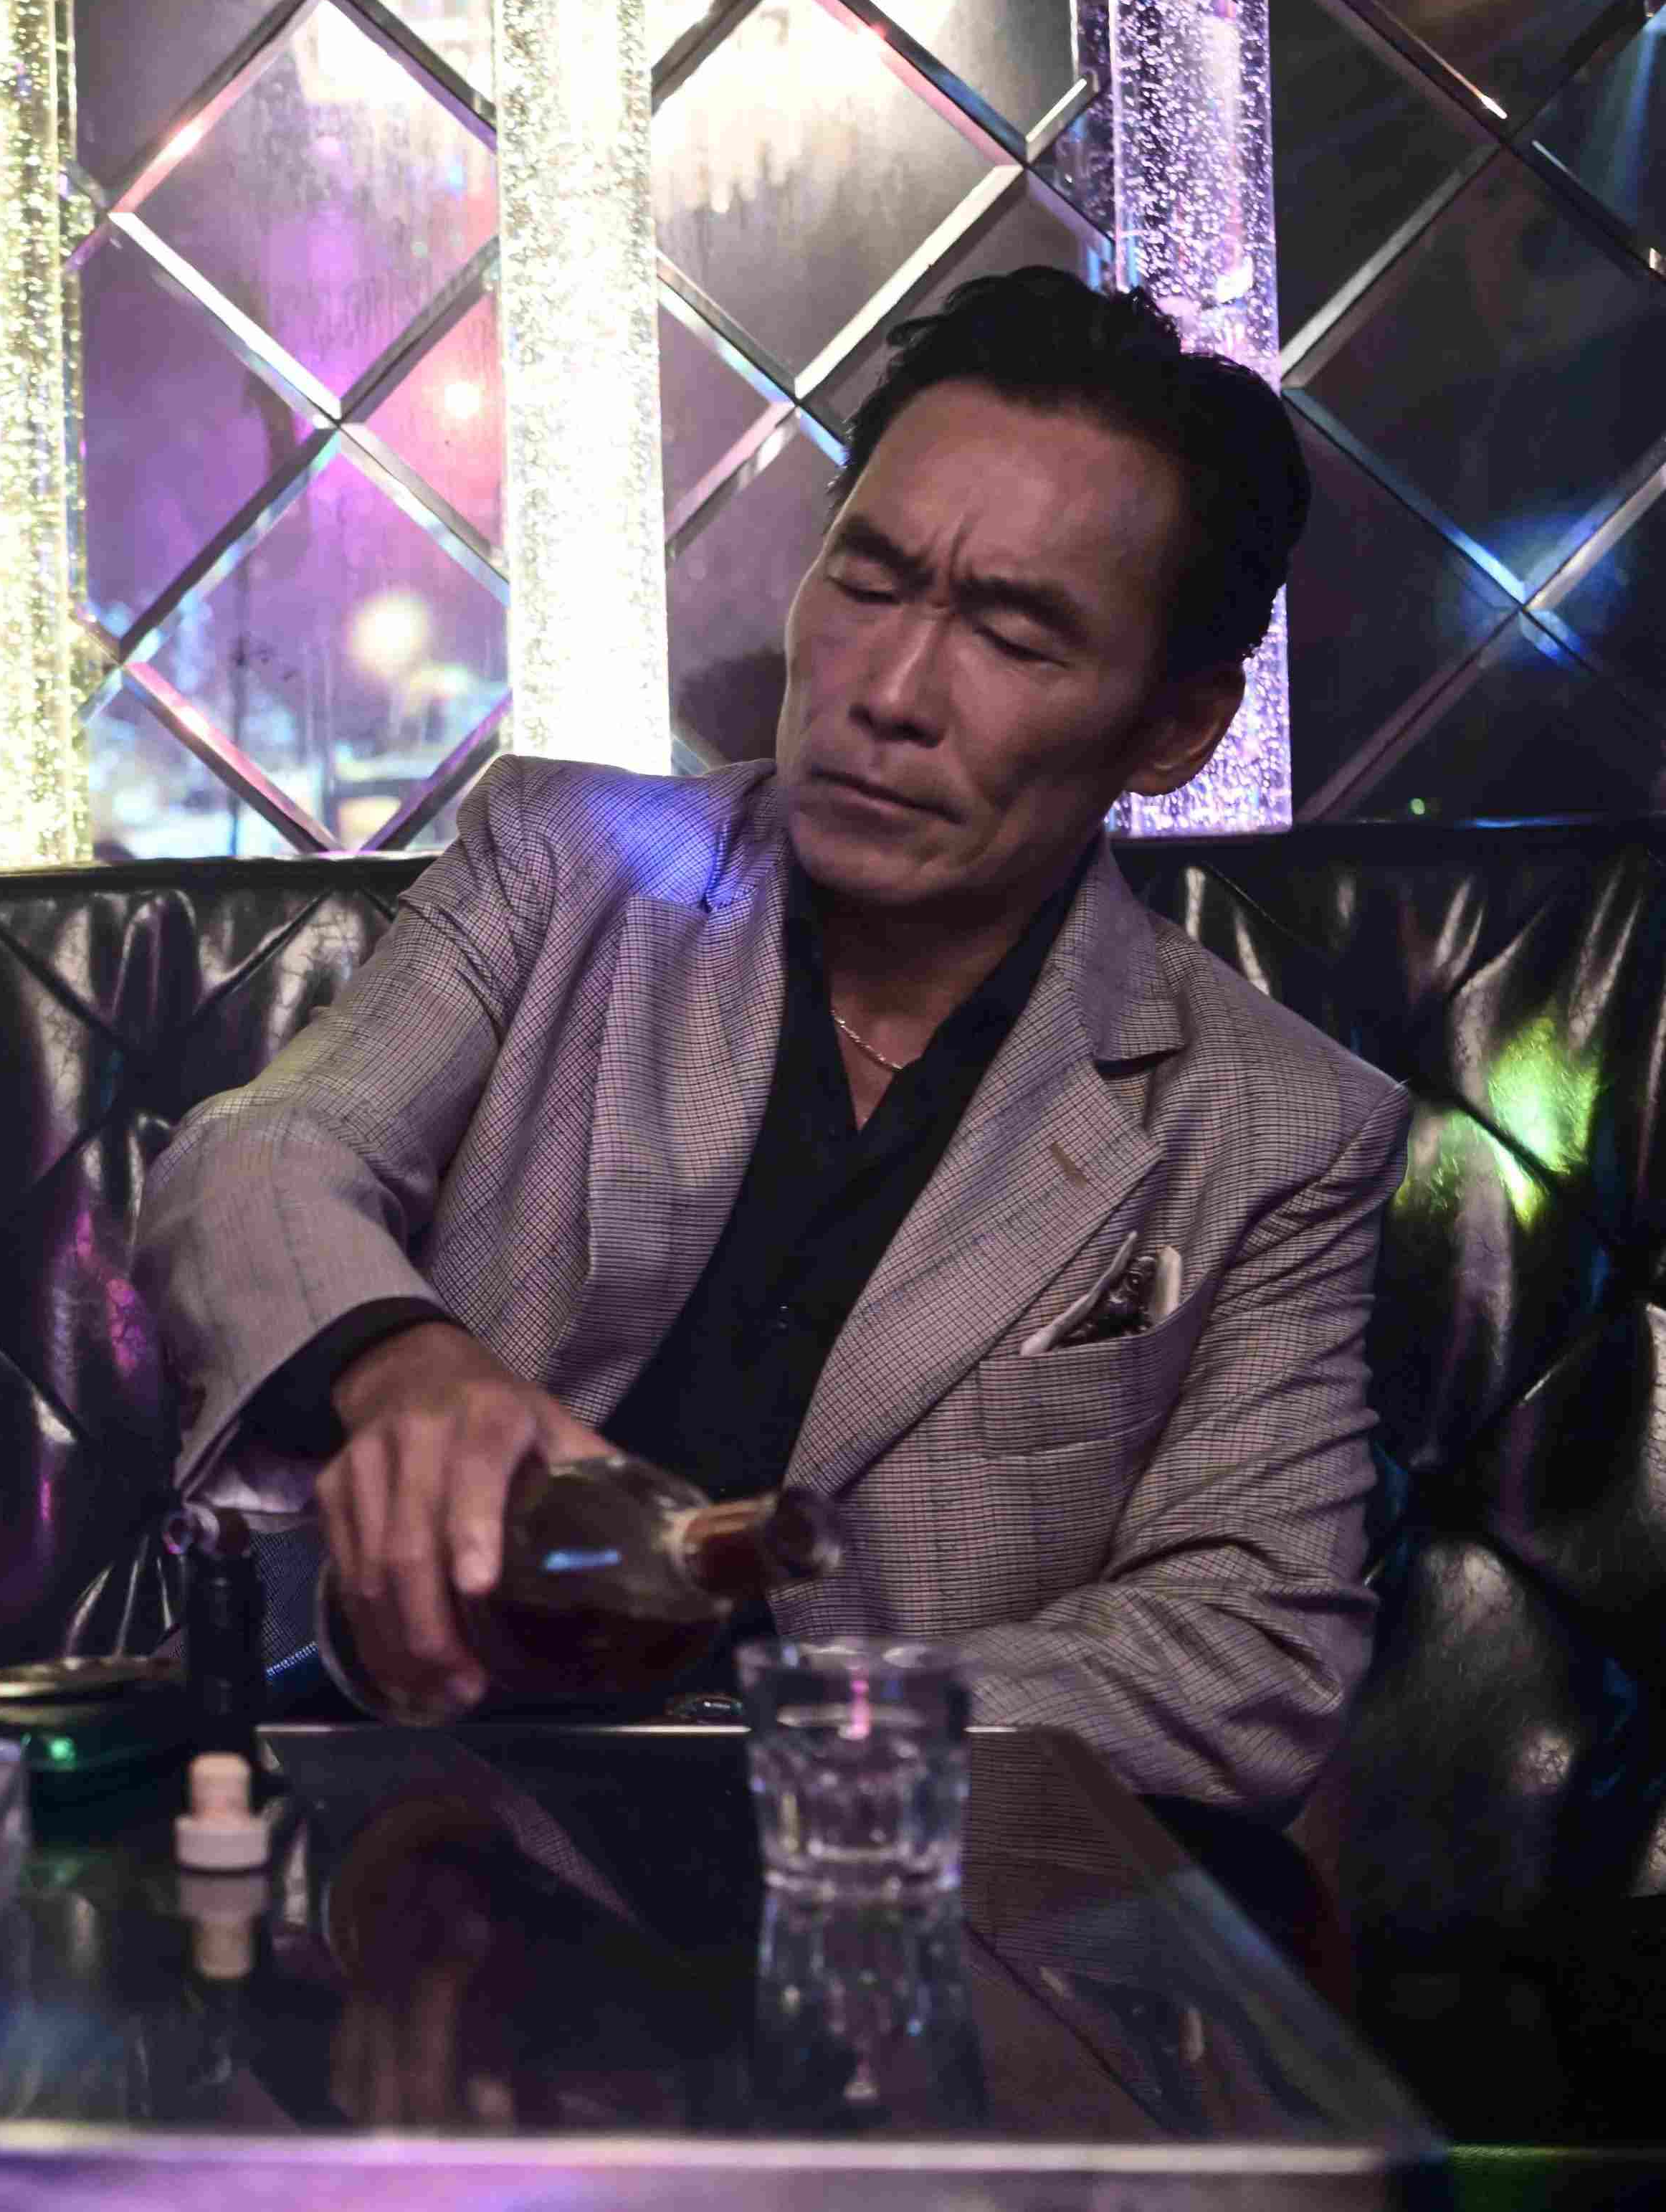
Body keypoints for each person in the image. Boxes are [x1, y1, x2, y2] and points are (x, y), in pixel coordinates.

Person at [138, 268, 1404, 1826]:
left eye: (1014, 636)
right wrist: (405, 1367)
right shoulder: (562, 861)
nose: (890, 691)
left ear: (1174, 727)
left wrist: (764, 1739)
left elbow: (1241, 1661)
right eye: (867, 581)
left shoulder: (1278, 1125)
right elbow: (258, 1159)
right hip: (391, 1815)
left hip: (888, 1890)